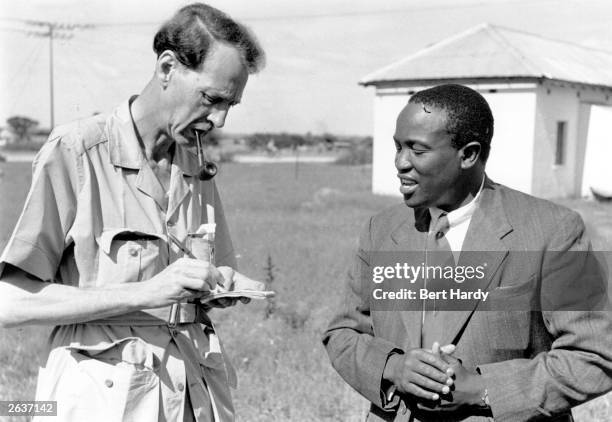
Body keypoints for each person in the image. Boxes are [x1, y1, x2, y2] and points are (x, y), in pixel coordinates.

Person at [0, 3, 264, 421]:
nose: (220, 119)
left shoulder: (197, 166)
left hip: (194, 397)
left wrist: (220, 286)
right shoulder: (77, 152)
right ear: (166, 68)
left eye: (230, 105)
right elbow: (10, 301)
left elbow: (205, 279)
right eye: (212, 99)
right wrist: (147, 293)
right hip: (100, 403)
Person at [323, 84, 612, 421]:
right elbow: (343, 334)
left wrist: (481, 388)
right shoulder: (381, 231)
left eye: (417, 149)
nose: (400, 162)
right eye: (398, 147)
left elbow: (594, 355)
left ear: (468, 154)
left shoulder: (552, 230)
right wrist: (395, 367)